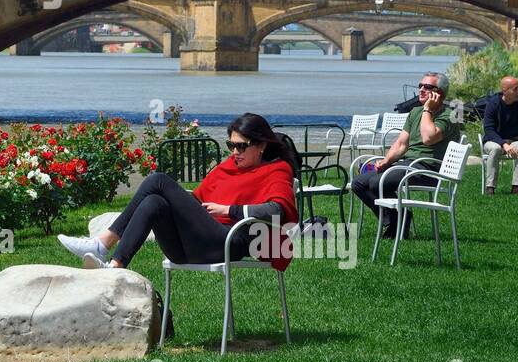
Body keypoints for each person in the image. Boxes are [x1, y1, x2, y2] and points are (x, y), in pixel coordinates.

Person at [56, 113, 300, 270]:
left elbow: (278, 209)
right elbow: (197, 199)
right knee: (154, 201)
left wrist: (230, 209)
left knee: (158, 180)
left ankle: (102, 243)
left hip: (228, 242)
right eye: (230, 145)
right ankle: (116, 267)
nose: (234, 152)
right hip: (189, 246)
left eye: (241, 146)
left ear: (261, 145)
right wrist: (179, 199)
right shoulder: (228, 167)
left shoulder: (277, 170)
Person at [350, 71, 459, 238]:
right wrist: (386, 161)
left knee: (377, 182)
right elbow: (401, 144)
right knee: (359, 183)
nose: (421, 90)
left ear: (440, 94)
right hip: (409, 165)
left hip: (429, 169)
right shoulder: (415, 112)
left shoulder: (450, 116)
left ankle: (398, 225)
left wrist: (428, 111)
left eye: (428, 87)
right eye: (420, 86)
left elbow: (428, 138)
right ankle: (398, 219)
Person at [482, 75, 518, 195]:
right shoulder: (493, 104)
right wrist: (503, 144)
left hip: (514, 140)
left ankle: (516, 187)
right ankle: (490, 188)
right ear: (505, 91)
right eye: (516, 89)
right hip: (493, 141)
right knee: (495, 149)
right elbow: (489, 130)